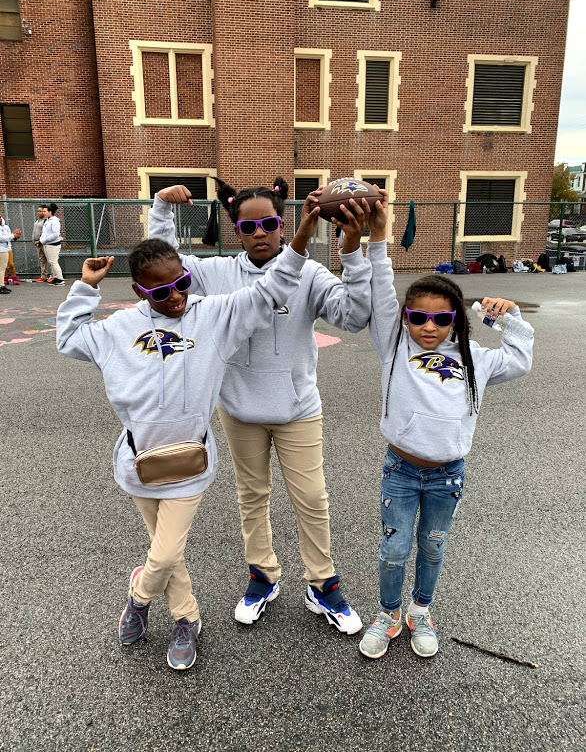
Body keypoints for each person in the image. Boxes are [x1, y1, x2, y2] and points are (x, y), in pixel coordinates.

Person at [56, 213, 318, 670]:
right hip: (140, 460)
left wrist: (300, 237)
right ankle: (186, 619)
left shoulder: (212, 316)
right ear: (139, 291)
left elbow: (270, 290)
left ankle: (140, 597)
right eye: (160, 291)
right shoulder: (118, 329)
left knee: (166, 548)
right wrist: (86, 287)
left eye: (182, 284)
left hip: (191, 461)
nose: (176, 297)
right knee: (166, 547)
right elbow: (69, 338)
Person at [148, 177, 372, 635]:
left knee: (311, 498)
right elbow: (164, 265)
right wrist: (162, 210)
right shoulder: (217, 274)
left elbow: (354, 316)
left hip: (297, 408)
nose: (260, 232)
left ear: (283, 224)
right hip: (239, 408)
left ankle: (321, 583)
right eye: (249, 226)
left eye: (270, 223)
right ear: (238, 231)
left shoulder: (307, 273)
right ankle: (263, 575)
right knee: (252, 496)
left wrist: (352, 253)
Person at [351, 192, 533, 659]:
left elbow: (519, 358)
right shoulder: (395, 347)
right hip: (401, 470)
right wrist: (378, 237)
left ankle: (420, 611)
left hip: (448, 475)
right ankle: (388, 613)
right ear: (405, 319)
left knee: (432, 550)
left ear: (455, 319)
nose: (427, 327)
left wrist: (509, 317)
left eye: (440, 318)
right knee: (393, 552)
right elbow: (379, 286)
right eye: (417, 317)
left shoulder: (477, 360)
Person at [40, 202, 65, 286]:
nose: (43, 213)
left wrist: (45, 240)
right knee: (52, 262)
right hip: (47, 244)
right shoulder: (48, 221)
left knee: (54, 262)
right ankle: (56, 278)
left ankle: (60, 279)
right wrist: (42, 239)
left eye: (45, 211)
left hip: (53, 245)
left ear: (50, 212)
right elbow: (45, 232)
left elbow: (55, 234)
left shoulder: (54, 221)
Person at [0, 216, 21, 295]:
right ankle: (1, 285)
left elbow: (7, 238)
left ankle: (2, 285)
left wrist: (14, 236)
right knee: (2, 268)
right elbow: (1, 238)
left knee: (4, 267)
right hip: (1, 249)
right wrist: (12, 235)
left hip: (5, 249)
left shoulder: (5, 227)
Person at [32, 205, 49, 282]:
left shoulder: (46, 221)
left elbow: (44, 232)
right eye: (38, 211)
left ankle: (52, 275)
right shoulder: (37, 221)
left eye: (40, 211)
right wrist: (33, 240)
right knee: (42, 260)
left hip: (44, 243)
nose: (39, 212)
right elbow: (34, 231)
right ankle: (43, 276)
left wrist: (39, 240)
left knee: (49, 259)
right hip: (37, 243)